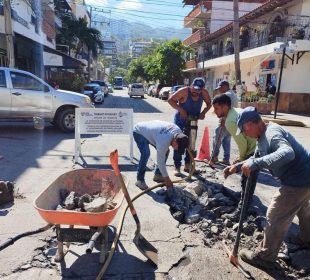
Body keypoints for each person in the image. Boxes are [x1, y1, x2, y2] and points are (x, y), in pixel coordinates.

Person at [223, 107, 310, 270]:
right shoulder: (261, 137)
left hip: (298, 180)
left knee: (275, 215)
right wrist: (236, 166)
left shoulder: (272, 133)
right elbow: (257, 157)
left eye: (243, 129)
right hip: (305, 178)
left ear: (251, 124)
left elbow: (287, 153)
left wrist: (255, 163)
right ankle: (307, 239)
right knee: (303, 209)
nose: (243, 133)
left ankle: (266, 256)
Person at [210, 94, 257, 221]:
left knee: (246, 180)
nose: (215, 112)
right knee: (248, 180)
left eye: (216, 108)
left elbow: (243, 143)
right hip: (257, 144)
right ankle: (246, 202)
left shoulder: (230, 121)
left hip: (253, 149)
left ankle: (242, 212)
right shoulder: (234, 112)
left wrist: (241, 159)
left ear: (225, 107)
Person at [168, 78, 211, 176]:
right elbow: (170, 100)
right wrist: (181, 110)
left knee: (191, 143)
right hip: (180, 122)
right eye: (194, 89)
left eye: (198, 90)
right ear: (191, 86)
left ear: (202, 89)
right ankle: (177, 166)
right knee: (179, 143)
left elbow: (209, 104)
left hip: (193, 122)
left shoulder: (204, 93)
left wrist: (203, 113)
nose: (196, 92)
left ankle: (188, 165)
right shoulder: (184, 91)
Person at [133, 120, 189, 190]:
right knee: (145, 154)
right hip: (139, 131)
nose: (176, 150)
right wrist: (167, 180)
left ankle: (158, 175)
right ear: (174, 140)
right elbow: (160, 162)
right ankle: (140, 180)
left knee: (166, 151)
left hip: (154, 133)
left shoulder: (179, 132)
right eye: (177, 148)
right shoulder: (163, 142)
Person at [210, 80, 238, 165]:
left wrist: (223, 119)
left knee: (217, 138)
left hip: (225, 119)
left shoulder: (226, 95)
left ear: (226, 86)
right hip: (232, 120)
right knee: (226, 139)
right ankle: (226, 159)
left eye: (221, 88)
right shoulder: (233, 93)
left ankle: (214, 157)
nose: (219, 90)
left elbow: (225, 108)